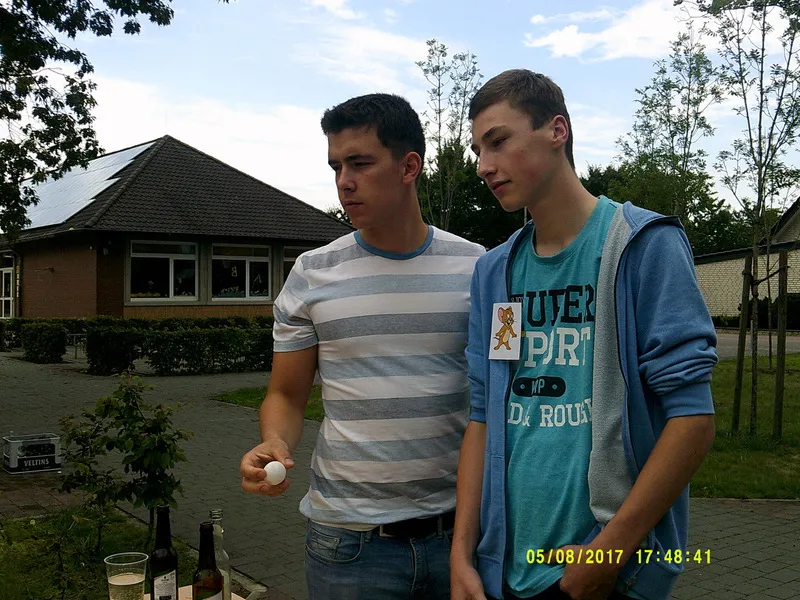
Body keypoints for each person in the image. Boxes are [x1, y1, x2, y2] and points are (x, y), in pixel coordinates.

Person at [449, 69, 718, 600]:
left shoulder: (643, 245)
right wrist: (461, 555)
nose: (483, 166)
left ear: (557, 130)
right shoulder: (496, 273)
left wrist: (609, 552)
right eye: (478, 150)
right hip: (504, 573)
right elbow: (483, 416)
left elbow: (692, 419)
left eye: (498, 141)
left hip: (606, 572)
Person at [239, 93, 485, 599]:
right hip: (349, 545)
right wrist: (275, 442)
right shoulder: (312, 272)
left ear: (409, 167)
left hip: (458, 536)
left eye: (360, 163)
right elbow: (285, 395)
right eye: (336, 166)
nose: (344, 181)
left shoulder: (478, 267)